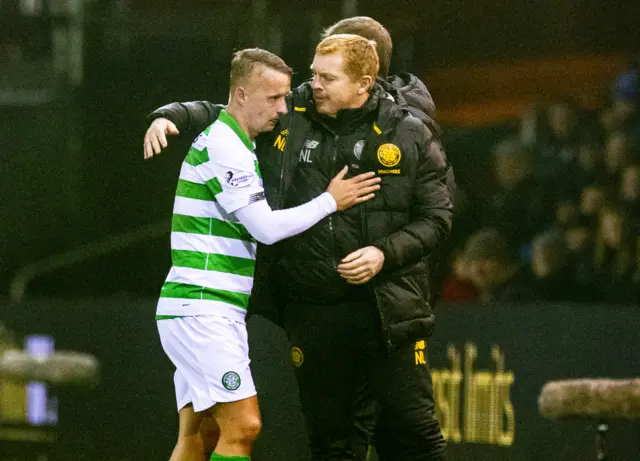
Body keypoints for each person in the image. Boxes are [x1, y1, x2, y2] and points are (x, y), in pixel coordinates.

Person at [144, 16, 449, 461]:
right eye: (311, 74)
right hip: (310, 310)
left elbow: (438, 217)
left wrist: (384, 254)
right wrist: (173, 114)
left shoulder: (410, 129)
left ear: (365, 79)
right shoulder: (294, 109)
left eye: (326, 75)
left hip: (387, 312)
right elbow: (235, 109)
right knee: (326, 442)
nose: (311, 86)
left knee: (412, 435)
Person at [155, 47, 381, 461]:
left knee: (200, 434)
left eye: (284, 97)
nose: (283, 108)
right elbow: (266, 228)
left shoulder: (234, 141)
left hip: (197, 307)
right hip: (203, 310)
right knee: (244, 425)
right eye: (273, 98)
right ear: (241, 95)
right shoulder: (226, 145)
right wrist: (331, 201)